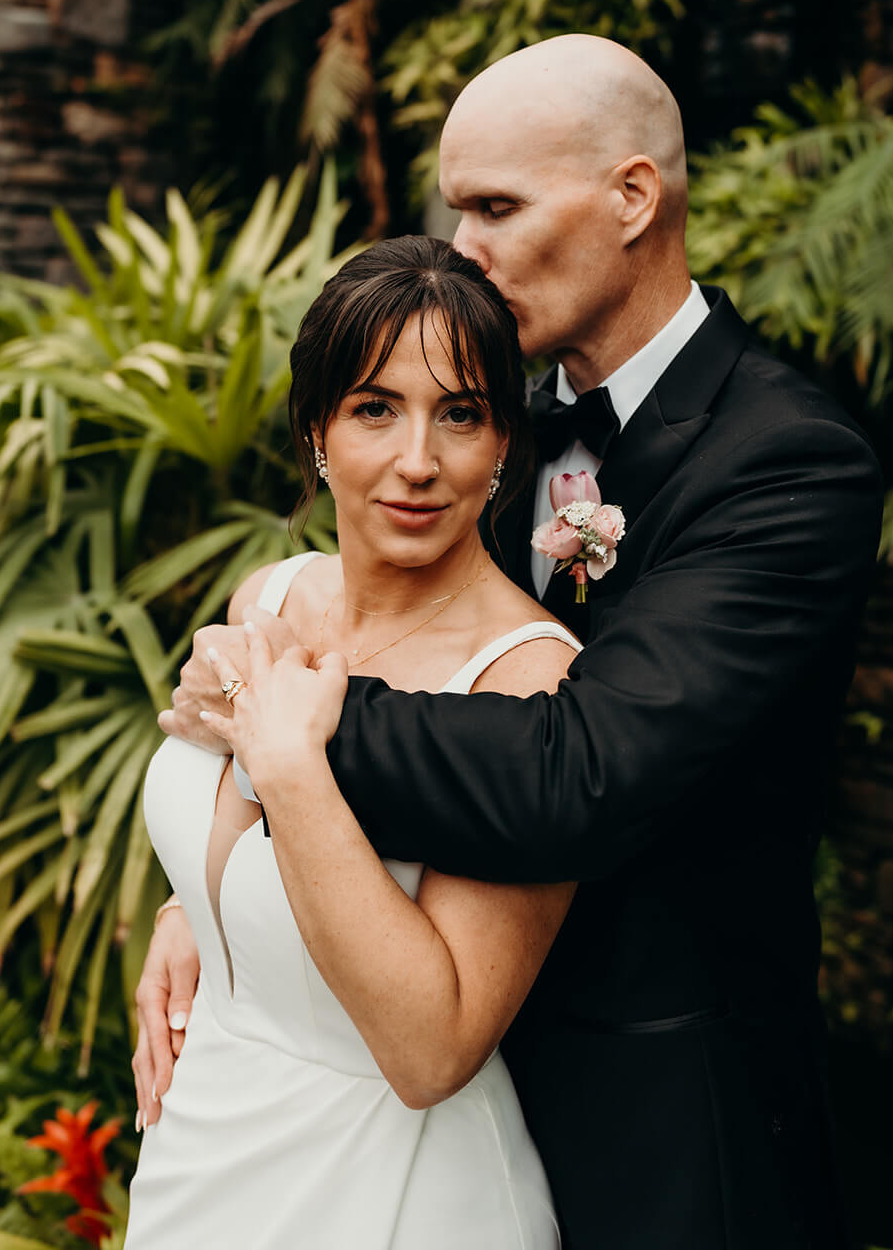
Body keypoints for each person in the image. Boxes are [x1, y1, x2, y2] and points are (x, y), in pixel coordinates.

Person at [144, 34, 884, 1250]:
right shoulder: (491, 429)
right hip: (397, 1094)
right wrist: (223, 910)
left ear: (631, 197)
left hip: (653, 1132)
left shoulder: (783, 463)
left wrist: (280, 726)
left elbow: (576, 767)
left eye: (494, 207)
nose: (464, 249)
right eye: (457, 210)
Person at [124, 235, 583, 1249]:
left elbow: (433, 1050)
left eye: (459, 414)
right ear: (317, 430)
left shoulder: (527, 682)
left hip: (398, 1183)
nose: (418, 461)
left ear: (502, 444)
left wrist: (288, 765)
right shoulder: (271, 595)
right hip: (202, 1145)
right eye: (375, 408)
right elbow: (240, 856)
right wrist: (195, 912)